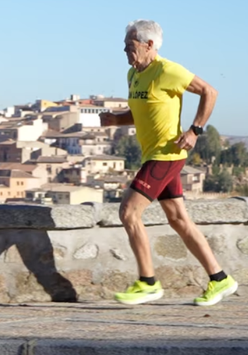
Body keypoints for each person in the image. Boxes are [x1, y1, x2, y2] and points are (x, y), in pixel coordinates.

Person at [99, 19, 237, 306]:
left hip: (167, 154)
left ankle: (148, 282)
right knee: (178, 220)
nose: (126, 52)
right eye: (125, 47)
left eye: (130, 46)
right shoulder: (133, 74)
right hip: (153, 154)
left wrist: (195, 130)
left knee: (128, 212)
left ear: (149, 45)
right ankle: (220, 278)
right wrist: (116, 119)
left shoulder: (169, 70)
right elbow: (142, 112)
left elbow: (210, 92)